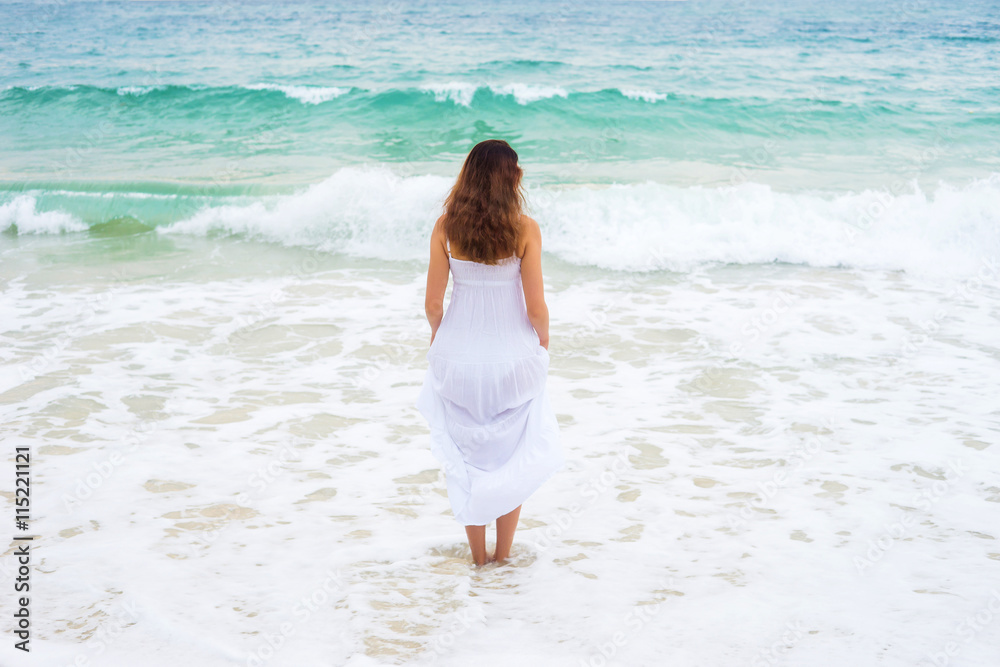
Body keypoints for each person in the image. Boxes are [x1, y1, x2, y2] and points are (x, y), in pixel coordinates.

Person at [416, 139, 565, 567]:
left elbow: (432, 304)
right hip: (512, 360)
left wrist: (440, 340)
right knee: (510, 460)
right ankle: (502, 558)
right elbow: (536, 307)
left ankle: (477, 559)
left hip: (457, 358)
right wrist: (543, 341)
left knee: (468, 460)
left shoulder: (446, 227)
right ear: (511, 177)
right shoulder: (525, 229)